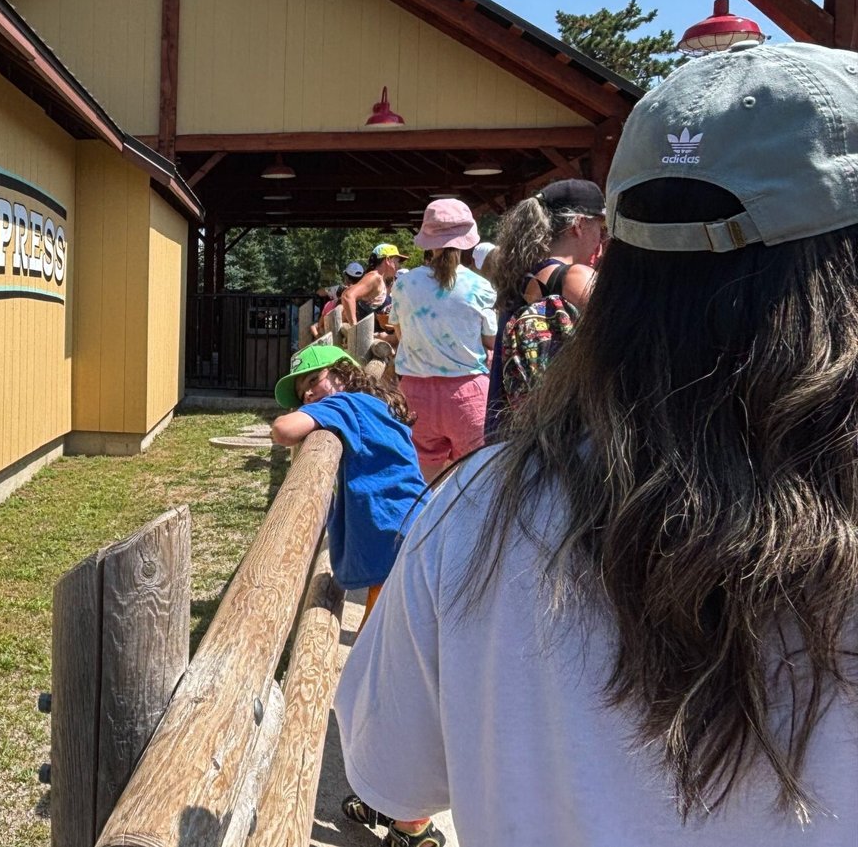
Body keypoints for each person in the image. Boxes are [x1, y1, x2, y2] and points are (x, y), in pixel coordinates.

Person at [335, 41, 858, 845]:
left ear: (615, 255)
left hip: (438, 422)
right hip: (468, 402)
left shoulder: (478, 512)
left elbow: (388, 767)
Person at [269, 344, 444, 847]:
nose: (308, 396)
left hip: (398, 554)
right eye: (303, 391)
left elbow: (285, 430)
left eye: (313, 382)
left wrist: (311, 413)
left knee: (386, 685)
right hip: (409, 546)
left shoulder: (345, 405)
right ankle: (383, 793)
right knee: (378, 681)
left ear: (342, 374)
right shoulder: (376, 404)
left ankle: (412, 823)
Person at [482, 178, 605, 435]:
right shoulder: (575, 278)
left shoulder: (520, 277)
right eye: (601, 227)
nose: (601, 238)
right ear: (579, 225)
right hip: (563, 429)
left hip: (512, 426)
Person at [386, 201, 494, 481]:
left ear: (428, 240)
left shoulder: (404, 284)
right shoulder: (480, 286)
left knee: (423, 486)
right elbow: (491, 341)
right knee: (474, 482)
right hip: (468, 392)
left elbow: (400, 334)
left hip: (414, 392)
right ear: (467, 239)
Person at [340, 245, 403, 329]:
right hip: (365, 338)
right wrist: (355, 329)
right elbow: (347, 296)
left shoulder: (381, 279)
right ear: (387, 260)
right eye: (397, 261)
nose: (399, 266)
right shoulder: (374, 277)